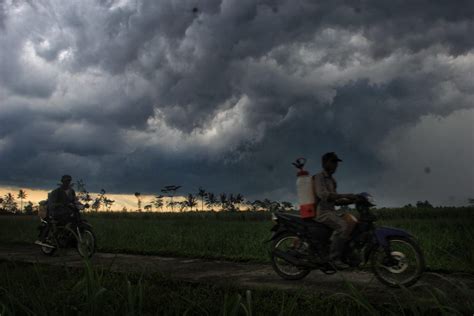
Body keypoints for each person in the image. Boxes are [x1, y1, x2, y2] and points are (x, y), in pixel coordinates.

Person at [313, 152, 360, 269]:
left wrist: (353, 200)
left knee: (352, 222)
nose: (336, 165)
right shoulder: (319, 177)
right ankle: (334, 259)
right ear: (325, 163)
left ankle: (347, 255)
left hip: (331, 212)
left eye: (336, 162)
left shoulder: (332, 180)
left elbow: (335, 200)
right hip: (322, 212)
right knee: (343, 226)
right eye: (333, 162)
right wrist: (346, 195)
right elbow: (323, 194)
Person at [35, 175, 77, 247]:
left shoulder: (72, 191)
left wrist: (82, 205)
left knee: (76, 220)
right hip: (57, 212)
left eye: (69, 181)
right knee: (59, 222)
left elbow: (74, 201)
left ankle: (70, 239)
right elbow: (51, 203)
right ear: (62, 182)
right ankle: (50, 238)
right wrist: (59, 204)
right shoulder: (56, 192)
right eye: (66, 181)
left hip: (68, 211)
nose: (67, 182)